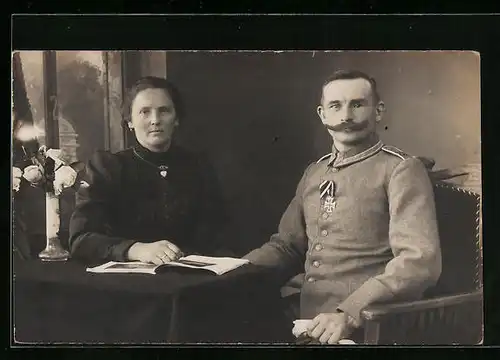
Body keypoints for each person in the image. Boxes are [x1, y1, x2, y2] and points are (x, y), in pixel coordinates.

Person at [243, 70, 442, 344]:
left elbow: (419, 262)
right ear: (322, 115)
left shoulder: (401, 169)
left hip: (364, 321)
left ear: (379, 111)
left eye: (358, 104)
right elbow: (286, 245)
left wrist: (349, 314)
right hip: (300, 311)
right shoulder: (314, 172)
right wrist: (236, 268)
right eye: (335, 106)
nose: (346, 116)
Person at [69, 76, 229, 265]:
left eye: (164, 111)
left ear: (176, 119)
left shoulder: (198, 167)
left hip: (190, 278)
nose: (155, 120)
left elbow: (219, 236)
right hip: (129, 284)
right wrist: (136, 249)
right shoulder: (108, 168)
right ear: (130, 121)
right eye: (145, 112)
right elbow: (81, 241)